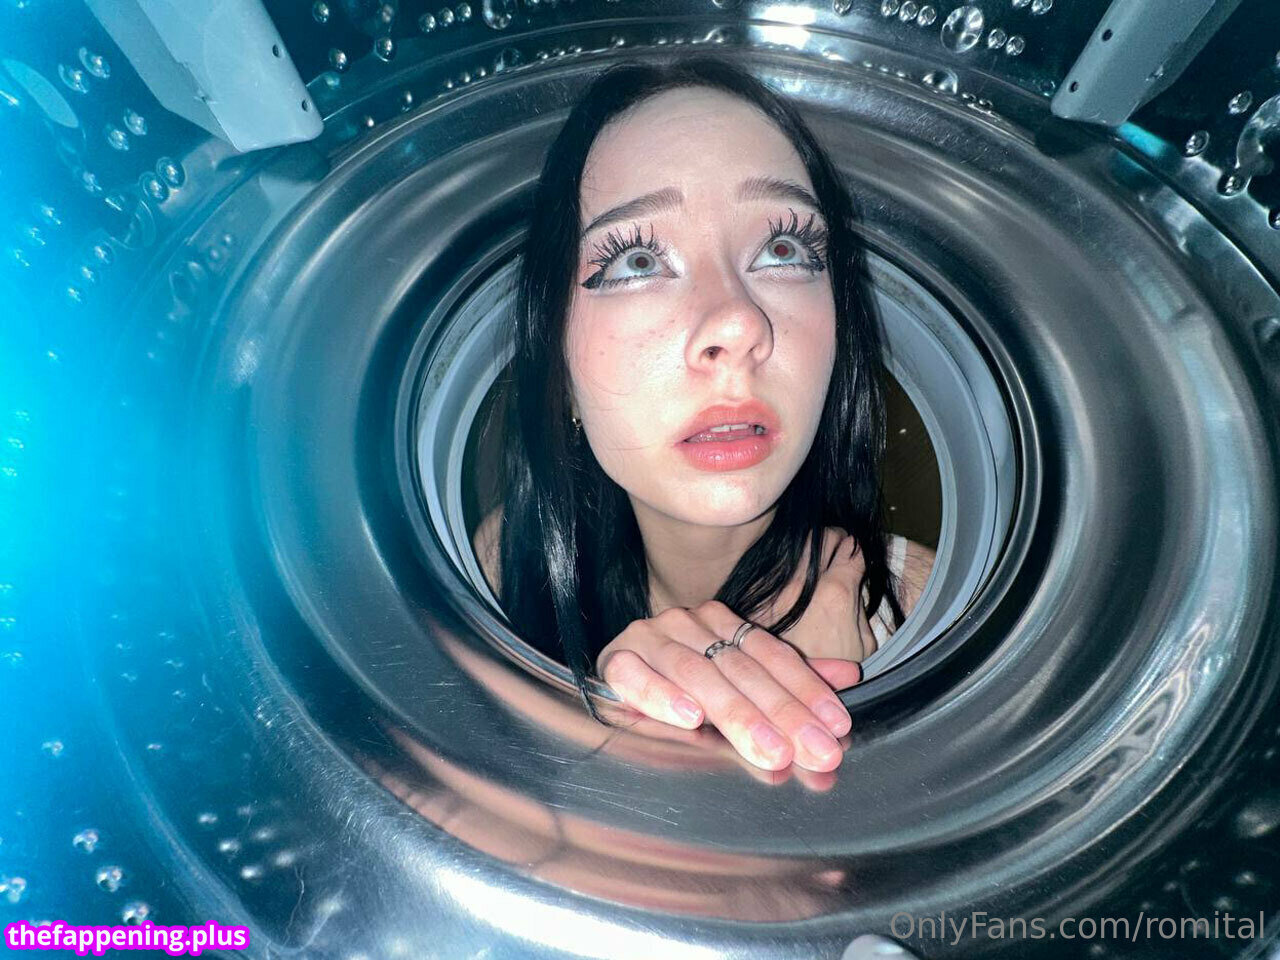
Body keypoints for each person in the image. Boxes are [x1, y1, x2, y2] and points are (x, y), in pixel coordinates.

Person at [472, 53, 936, 773]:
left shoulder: (939, 610)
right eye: (636, 261)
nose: (737, 323)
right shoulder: (504, 563)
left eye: (783, 247)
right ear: (559, 364)